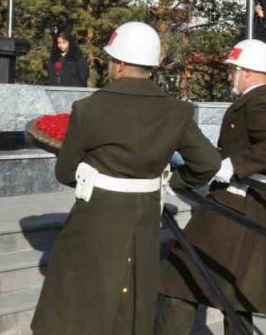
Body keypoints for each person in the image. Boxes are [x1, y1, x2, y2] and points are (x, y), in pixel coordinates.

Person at [31, 22, 221, 335]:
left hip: (94, 221)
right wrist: (170, 182)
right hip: (143, 224)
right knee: (132, 309)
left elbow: (65, 172)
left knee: (80, 308)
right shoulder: (177, 112)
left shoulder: (89, 108)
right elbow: (208, 162)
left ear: (119, 64)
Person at [156, 39, 266, 334]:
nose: (230, 76)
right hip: (245, 206)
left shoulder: (258, 102)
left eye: (233, 70)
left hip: (236, 205)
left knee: (179, 277)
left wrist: (234, 165)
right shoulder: (254, 101)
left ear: (249, 72)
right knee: (236, 296)